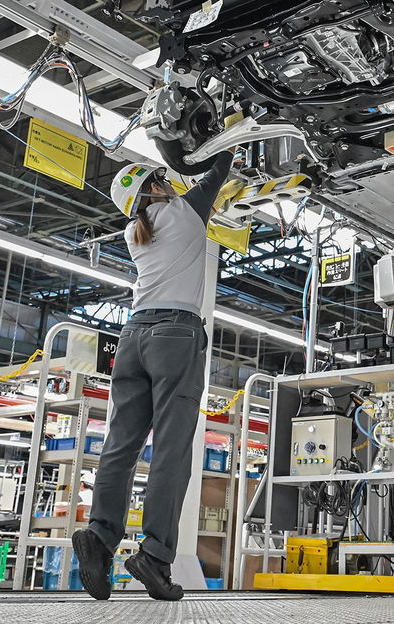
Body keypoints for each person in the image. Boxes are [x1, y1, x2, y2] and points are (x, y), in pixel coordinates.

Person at [72, 150, 243, 602]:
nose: (168, 182)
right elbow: (218, 168)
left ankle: (101, 535)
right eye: (160, 179)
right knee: (171, 450)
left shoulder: (134, 232)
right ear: (152, 188)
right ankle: (155, 555)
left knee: (120, 445)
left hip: (132, 337)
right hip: (176, 337)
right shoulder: (183, 212)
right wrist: (230, 136)